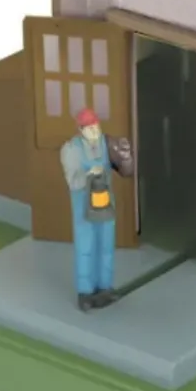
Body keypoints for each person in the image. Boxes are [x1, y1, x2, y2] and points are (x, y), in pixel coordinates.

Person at [59, 108, 133, 311]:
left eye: (96, 127)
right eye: (89, 128)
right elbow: (73, 181)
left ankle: (105, 287)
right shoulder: (71, 150)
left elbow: (126, 170)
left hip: (105, 202)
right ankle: (85, 292)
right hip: (84, 204)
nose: (94, 132)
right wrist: (89, 174)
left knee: (106, 245)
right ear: (81, 130)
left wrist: (125, 156)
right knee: (86, 247)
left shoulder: (107, 144)